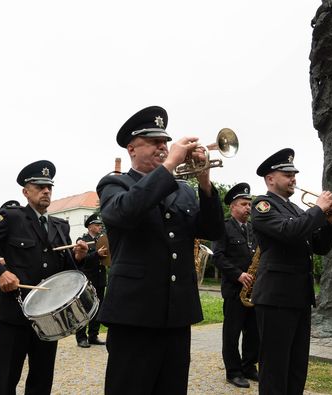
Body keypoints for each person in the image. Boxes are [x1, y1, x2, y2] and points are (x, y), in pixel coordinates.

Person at [96, 105, 224, 394]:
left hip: (177, 313)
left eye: (165, 142)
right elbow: (126, 212)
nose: (163, 148)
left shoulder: (182, 190)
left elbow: (213, 231)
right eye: (154, 142)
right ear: (131, 148)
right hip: (134, 314)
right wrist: (169, 167)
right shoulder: (114, 184)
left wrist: (204, 181)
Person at [0, 160, 88, 394]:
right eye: (39, 186)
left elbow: (66, 269)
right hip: (13, 315)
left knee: (42, 381)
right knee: (6, 380)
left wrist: (79, 257)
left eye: (49, 187)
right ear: (25, 191)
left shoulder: (60, 226)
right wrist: (0, 273)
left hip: (49, 318)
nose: (46, 191)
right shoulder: (11, 218)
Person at [251, 148, 332, 395]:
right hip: (275, 298)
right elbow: (290, 232)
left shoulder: (296, 210)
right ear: (270, 179)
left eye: (294, 174)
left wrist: (330, 223)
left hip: (299, 297)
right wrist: (319, 210)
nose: (294, 179)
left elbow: (320, 246)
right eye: (287, 174)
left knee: (297, 365)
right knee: (275, 366)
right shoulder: (262, 205)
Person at [211, 182, 259, 388]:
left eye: (249, 204)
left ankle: (248, 366)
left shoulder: (253, 228)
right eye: (243, 204)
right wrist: (238, 275)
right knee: (232, 333)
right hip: (234, 290)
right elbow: (218, 257)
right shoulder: (223, 227)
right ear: (232, 207)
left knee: (254, 331)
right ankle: (233, 371)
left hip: (254, 290)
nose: (248, 208)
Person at [75, 213, 108, 348]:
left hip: (99, 279)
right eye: (97, 225)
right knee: (84, 309)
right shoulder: (82, 240)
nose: (100, 227)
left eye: (100, 225)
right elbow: (81, 260)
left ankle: (93, 335)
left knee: (97, 308)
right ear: (90, 227)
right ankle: (81, 337)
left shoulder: (102, 240)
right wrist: (96, 254)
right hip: (88, 280)